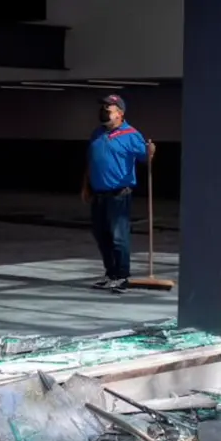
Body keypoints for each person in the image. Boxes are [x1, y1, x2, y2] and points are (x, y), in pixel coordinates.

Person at [81, 94, 155, 293]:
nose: (104, 111)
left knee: (118, 236)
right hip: (98, 193)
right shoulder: (97, 133)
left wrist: (150, 151)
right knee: (101, 235)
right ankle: (110, 273)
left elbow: (144, 157)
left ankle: (122, 275)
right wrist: (86, 186)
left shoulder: (131, 134)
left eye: (108, 108)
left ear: (120, 114)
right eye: (103, 107)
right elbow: (92, 162)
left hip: (119, 194)